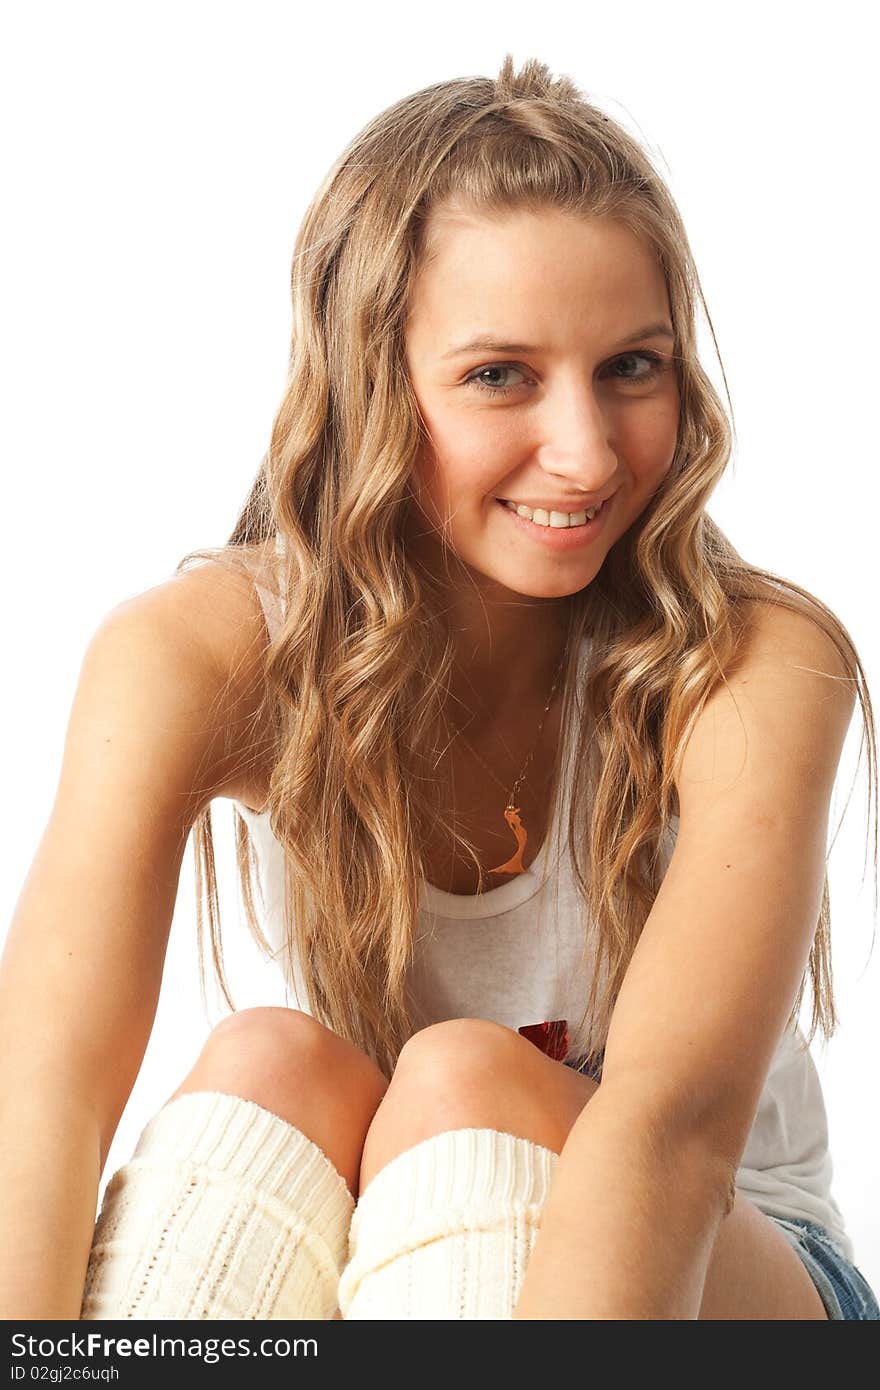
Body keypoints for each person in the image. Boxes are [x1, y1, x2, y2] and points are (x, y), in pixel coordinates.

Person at [1, 54, 878, 1322]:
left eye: (631, 366)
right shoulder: (190, 657)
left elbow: (669, 1144)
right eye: (499, 374)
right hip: (426, 1237)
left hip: (738, 1268)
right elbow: (43, 1095)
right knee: (271, 1064)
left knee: (462, 1078)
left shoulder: (757, 662)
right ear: (371, 385)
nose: (583, 452)